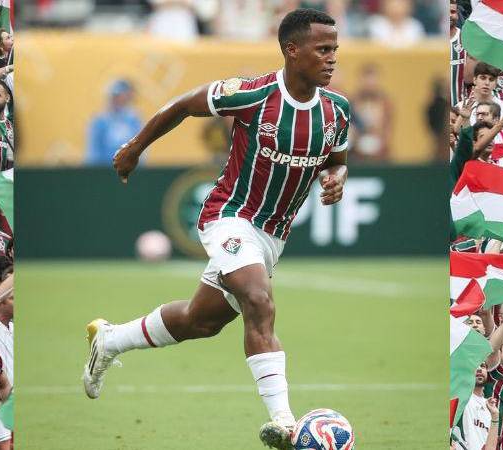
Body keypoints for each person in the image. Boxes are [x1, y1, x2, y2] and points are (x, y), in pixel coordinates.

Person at [82, 9, 351, 449]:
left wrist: (335, 179)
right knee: (258, 301)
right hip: (230, 215)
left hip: (272, 235)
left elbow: (337, 162)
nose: (331, 58)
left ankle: (110, 340)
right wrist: (134, 147)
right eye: (323, 49)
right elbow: (185, 105)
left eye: (335, 50)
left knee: (199, 321)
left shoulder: (337, 110)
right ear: (292, 50)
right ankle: (285, 422)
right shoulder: (252, 94)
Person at [85, 79, 142, 167]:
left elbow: (140, 149)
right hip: (103, 171)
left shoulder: (134, 120)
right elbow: (93, 153)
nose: (118, 100)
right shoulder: (99, 121)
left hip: (128, 170)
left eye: (121, 96)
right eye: (115, 96)